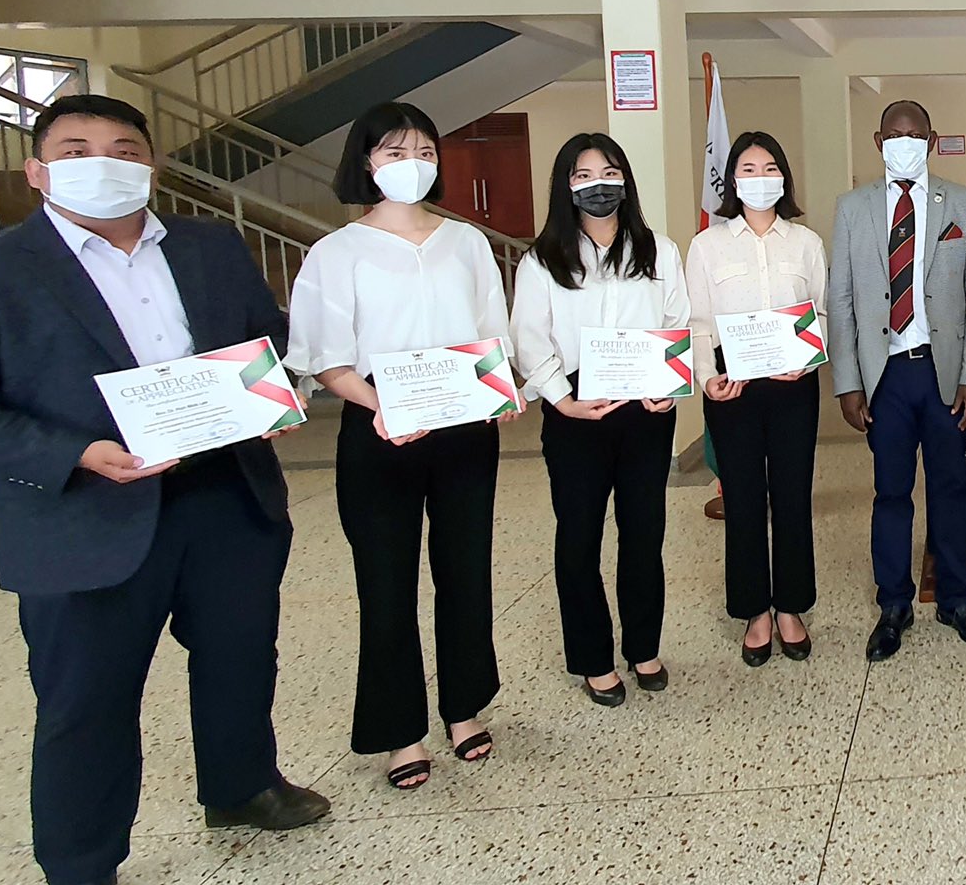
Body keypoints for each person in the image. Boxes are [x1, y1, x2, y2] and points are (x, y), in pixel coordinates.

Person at [0, 95, 329, 885]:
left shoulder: (212, 246)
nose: (102, 162)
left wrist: (271, 397)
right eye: (75, 149)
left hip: (225, 495)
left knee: (241, 656)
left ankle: (241, 786)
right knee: (87, 695)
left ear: (151, 165)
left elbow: (261, 339)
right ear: (36, 171)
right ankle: (80, 866)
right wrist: (77, 454)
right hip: (84, 515)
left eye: (124, 148)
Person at [286, 102, 511, 790]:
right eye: (392, 152)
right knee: (385, 582)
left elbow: (490, 331)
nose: (410, 163)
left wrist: (498, 391)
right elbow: (324, 357)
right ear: (365, 163)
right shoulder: (336, 253)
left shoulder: (466, 242)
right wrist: (382, 405)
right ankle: (398, 731)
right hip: (377, 422)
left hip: (463, 425)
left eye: (422, 150)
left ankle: (465, 708)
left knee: (465, 569)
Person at [509, 133, 688, 705]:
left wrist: (668, 386)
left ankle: (644, 647)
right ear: (566, 187)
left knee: (644, 532)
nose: (598, 184)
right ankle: (592, 657)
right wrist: (561, 399)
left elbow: (677, 321)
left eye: (608, 172)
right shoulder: (542, 260)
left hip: (645, 406)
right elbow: (528, 337)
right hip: (574, 407)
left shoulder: (659, 249)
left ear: (626, 179)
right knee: (579, 534)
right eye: (583, 176)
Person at [829, 100, 966, 661]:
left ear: (931, 142)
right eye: (895, 134)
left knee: (952, 488)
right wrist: (848, 383)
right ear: (879, 142)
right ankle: (894, 604)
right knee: (891, 493)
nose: (905, 142)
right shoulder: (852, 209)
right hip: (885, 379)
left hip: (944, 374)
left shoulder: (965, 205)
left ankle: (956, 599)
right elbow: (842, 302)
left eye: (916, 134)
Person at [685, 131, 828, 666]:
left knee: (792, 496)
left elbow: (823, 313)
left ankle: (791, 607)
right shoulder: (708, 245)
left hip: (793, 384)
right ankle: (755, 612)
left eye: (770, 168)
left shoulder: (806, 243)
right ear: (732, 179)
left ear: (784, 177)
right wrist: (706, 377)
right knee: (743, 501)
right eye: (748, 168)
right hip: (732, 387)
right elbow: (697, 323)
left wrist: (810, 358)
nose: (760, 178)